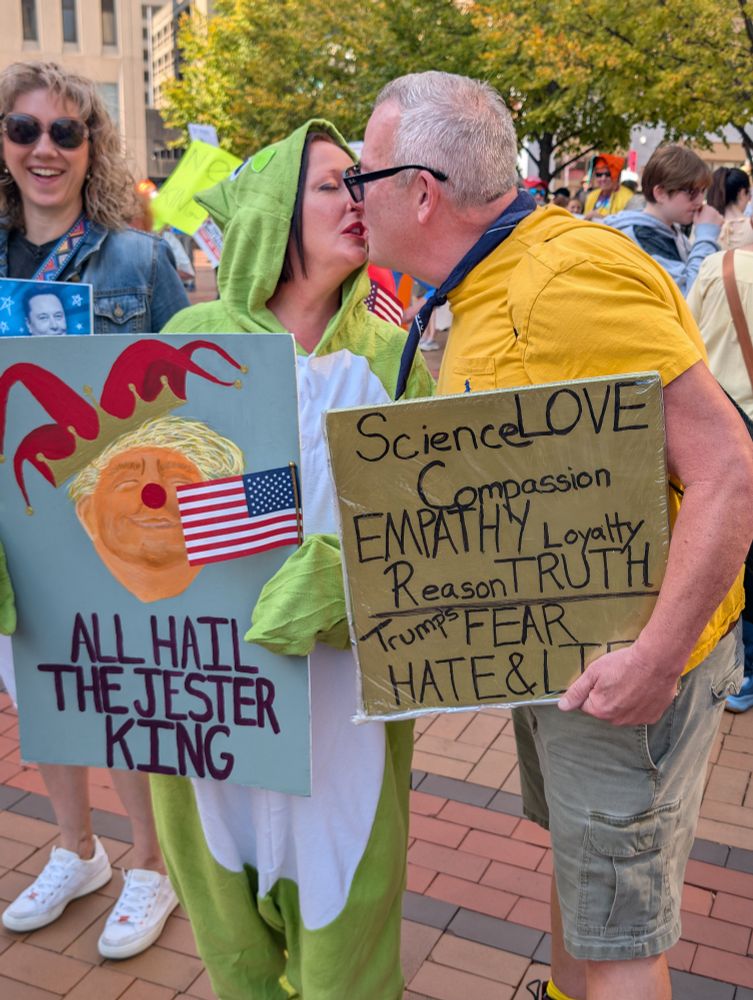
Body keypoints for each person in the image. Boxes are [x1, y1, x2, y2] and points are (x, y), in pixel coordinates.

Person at [354, 70, 753, 1000]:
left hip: (631, 673)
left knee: (622, 937)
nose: (351, 197)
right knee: (587, 884)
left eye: (361, 177)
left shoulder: (559, 279)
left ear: (420, 190)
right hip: (572, 656)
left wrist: (654, 657)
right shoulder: (495, 273)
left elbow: (727, 469)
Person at [149, 120, 433, 1000]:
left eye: (362, 182)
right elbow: (135, 504)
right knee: (231, 943)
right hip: (208, 701)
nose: (356, 199)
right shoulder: (191, 340)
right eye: (331, 184)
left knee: (347, 938)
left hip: (340, 709)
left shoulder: (395, 353)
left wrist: (349, 577)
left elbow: (431, 526)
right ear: (273, 210)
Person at [0, 61, 188, 958]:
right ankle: (78, 850)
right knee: (39, 688)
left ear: (91, 147)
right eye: (24, 129)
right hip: (10, 520)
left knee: (117, 690)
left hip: (108, 518)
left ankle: (150, 864)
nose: (44, 149)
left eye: (64, 133)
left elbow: (187, 389)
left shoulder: (140, 258)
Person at [688, 236, 753, 713]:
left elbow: (684, 332)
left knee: (726, 544)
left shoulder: (719, 266)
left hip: (715, 413)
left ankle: (736, 663)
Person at [606, 145, 722, 296]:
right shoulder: (642, 236)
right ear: (660, 193)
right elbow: (686, 297)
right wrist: (706, 236)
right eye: (691, 192)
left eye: (702, 191)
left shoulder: (670, 229)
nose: (700, 200)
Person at [706, 166, 752, 250]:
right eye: (749, 193)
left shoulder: (704, 228)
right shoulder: (750, 226)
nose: (750, 198)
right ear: (742, 193)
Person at [582, 154, 633, 218]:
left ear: (617, 175)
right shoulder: (591, 196)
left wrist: (602, 218)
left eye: (608, 174)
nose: (603, 178)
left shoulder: (628, 197)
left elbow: (628, 222)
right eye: (599, 174)